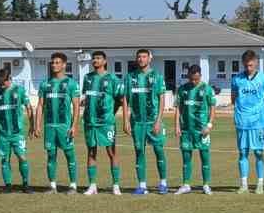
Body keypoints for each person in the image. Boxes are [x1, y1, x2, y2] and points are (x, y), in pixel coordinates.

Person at [80, 50, 125, 195]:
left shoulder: (113, 79)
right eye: (94, 58)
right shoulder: (87, 78)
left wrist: (112, 113)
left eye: (98, 58)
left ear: (105, 61)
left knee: (112, 152)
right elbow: (86, 97)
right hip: (90, 121)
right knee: (91, 152)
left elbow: (121, 100)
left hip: (106, 123)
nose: (95, 61)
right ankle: (92, 185)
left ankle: (116, 185)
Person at [35, 52, 80, 192]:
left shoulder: (71, 83)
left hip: (64, 126)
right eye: (53, 62)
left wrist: (74, 125)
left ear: (64, 65)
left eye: (57, 62)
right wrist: (37, 125)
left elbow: (77, 106)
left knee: (69, 155)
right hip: (49, 126)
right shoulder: (45, 83)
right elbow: (41, 105)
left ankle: (73, 185)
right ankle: (52, 185)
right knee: (51, 155)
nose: (54, 65)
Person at [125, 48, 168, 195]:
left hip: (153, 121)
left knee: (158, 150)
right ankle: (142, 185)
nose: (141, 59)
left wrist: (158, 120)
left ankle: (163, 183)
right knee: (139, 151)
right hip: (137, 122)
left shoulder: (157, 76)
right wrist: (126, 120)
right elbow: (125, 98)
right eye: (139, 57)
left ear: (150, 59)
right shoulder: (130, 77)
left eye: (144, 56)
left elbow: (162, 99)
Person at [231, 50, 264, 193]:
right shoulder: (237, 79)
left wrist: (261, 110)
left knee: (258, 152)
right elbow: (233, 98)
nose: (248, 68)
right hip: (242, 121)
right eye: (246, 66)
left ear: (256, 62)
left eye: (250, 65)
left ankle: (260, 183)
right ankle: (243, 184)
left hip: (258, 122)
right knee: (243, 152)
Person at [0, 67, 32, 192]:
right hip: (3, 134)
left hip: (17, 133)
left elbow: (28, 107)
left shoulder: (19, 90)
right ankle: (8, 185)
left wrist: (32, 126)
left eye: (4, 82)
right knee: (4, 159)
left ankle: (26, 184)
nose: (2, 85)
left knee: (22, 157)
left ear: (9, 79)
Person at [173, 63, 215, 194]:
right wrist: (177, 126)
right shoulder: (182, 89)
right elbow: (178, 109)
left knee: (205, 157)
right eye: (191, 79)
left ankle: (206, 185)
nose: (194, 81)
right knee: (186, 157)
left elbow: (212, 109)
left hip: (202, 129)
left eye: (196, 79)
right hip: (186, 129)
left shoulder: (207, 89)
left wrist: (209, 125)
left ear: (200, 76)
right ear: (188, 76)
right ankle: (186, 184)